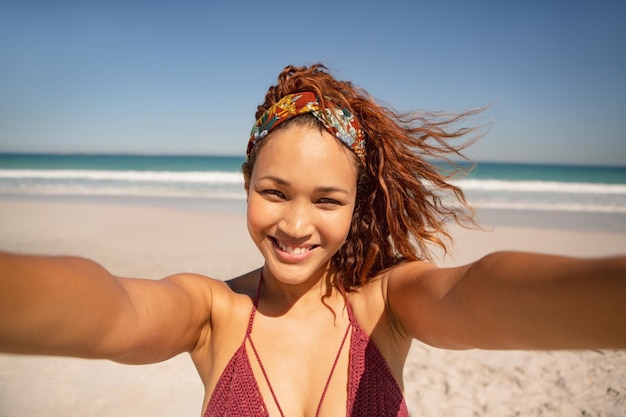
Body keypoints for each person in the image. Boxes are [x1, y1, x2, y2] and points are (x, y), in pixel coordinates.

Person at [1, 64, 625, 417]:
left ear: (357, 206)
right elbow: (110, 309)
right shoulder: (213, 315)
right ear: (245, 182)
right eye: (274, 192)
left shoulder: (386, 306)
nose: (296, 226)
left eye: (327, 200)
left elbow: (477, 296)